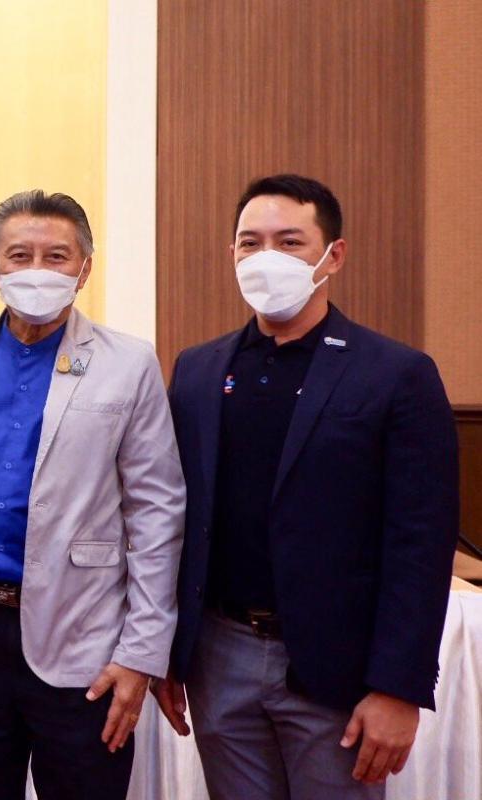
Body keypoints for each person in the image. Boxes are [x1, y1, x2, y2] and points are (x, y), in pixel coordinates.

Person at [153, 174, 459, 799]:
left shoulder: (396, 373)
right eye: (250, 243)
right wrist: (169, 653)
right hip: (220, 655)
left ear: (333, 256)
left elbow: (421, 543)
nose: (266, 257)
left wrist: (398, 687)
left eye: (289, 242)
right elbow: (178, 518)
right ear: (232, 254)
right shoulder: (197, 370)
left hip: (338, 667)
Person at [0, 190, 185, 800]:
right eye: (19, 255)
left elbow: (157, 514)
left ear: (84, 268)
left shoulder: (129, 363)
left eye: (56, 256)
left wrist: (141, 652)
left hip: (86, 639)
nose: (37, 270)